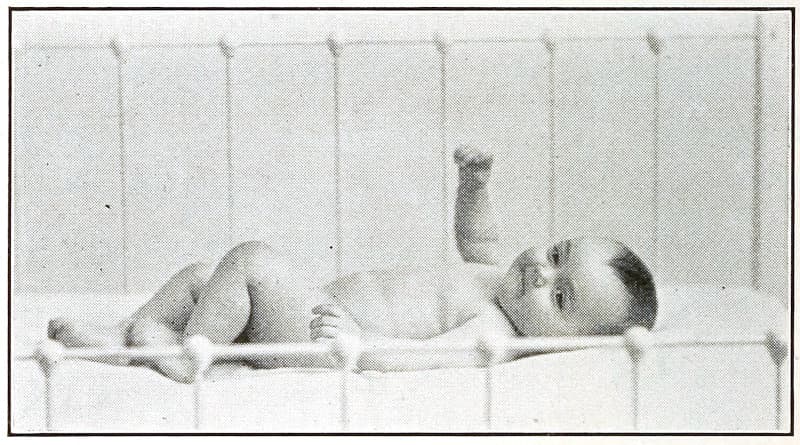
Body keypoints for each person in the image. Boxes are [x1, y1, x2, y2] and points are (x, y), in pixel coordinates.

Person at [48, 147, 657, 382]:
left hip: (326, 336)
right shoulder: (499, 278)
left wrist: (358, 341)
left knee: (252, 261)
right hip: (318, 311)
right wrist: (474, 186)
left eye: (560, 297)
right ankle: (126, 338)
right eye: (556, 254)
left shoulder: (493, 332)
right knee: (203, 278)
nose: (541, 272)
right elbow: (478, 237)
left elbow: (418, 359)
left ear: (563, 343)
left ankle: (189, 359)